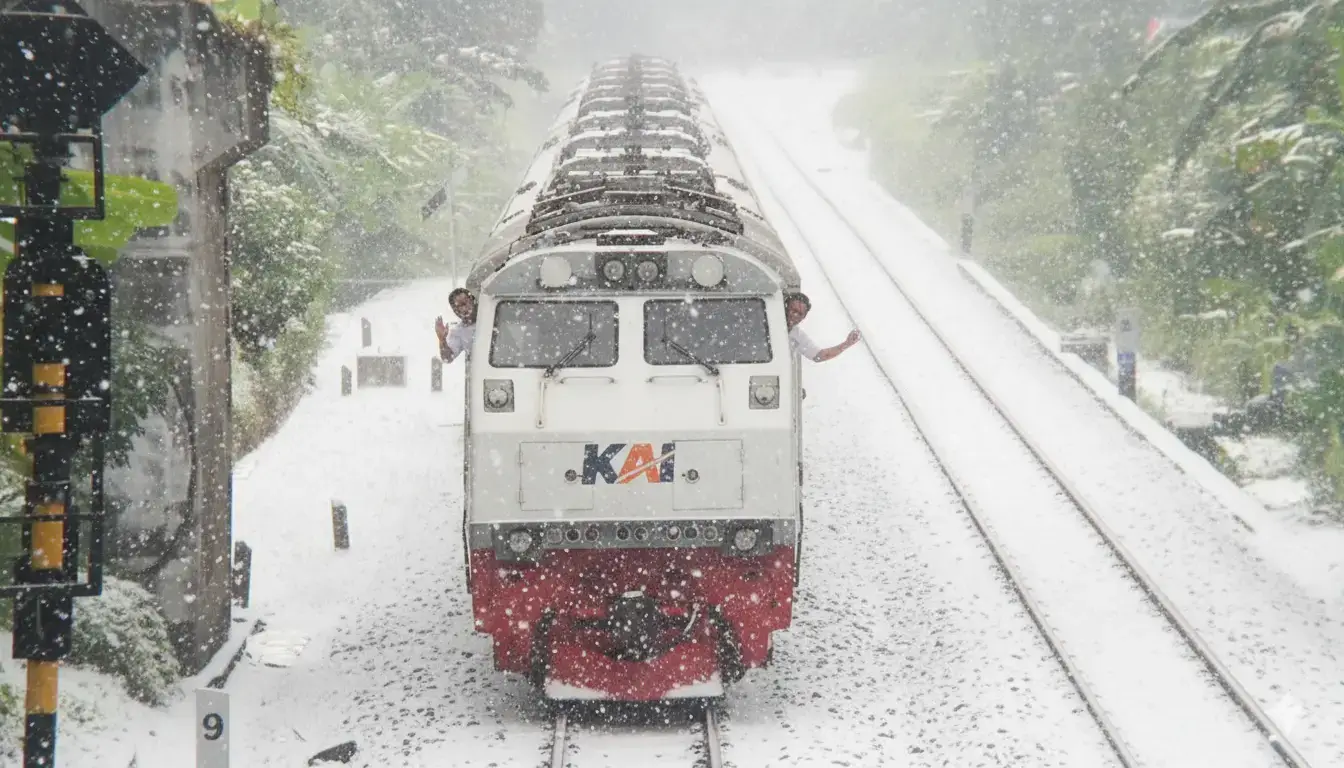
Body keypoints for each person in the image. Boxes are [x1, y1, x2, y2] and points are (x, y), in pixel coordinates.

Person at [785, 292, 859, 362]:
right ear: (786, 307)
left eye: (800, 314)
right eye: (793, 310)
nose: (795, 315)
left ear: (804, 317)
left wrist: (847, 343)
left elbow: (820, 356)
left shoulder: (797, 335)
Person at [435, 287, 477, 364]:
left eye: (464, 304)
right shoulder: (459, 331)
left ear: (473, 301)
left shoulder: (491, 314)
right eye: (457, 308)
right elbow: (447, 358)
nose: (463, 310)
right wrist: (442, 340)